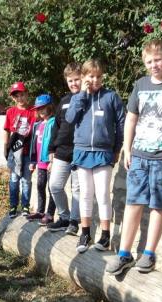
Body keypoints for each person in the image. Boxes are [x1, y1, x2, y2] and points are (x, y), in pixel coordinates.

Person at [107, 40, 162, 274]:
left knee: (158, 205)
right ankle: (124, 253)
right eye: (149, 62)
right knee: (133, 203)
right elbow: (131, 118)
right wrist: (127, 147)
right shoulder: (140, 84)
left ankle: (149, 253)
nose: (154, 65)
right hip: (139, 155)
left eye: (157, 60)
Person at [65, 59, 125, 253]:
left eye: (99, 76)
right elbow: (70, 118)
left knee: (102, 195)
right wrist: (83, 93)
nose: (95, 80)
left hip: (103, 152)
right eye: (91, 76)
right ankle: (85, 233)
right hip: (82, 152)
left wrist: (116, 149)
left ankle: (105, 236)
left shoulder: (111, 97)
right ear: (83, 77)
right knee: (85, 195)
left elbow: (121, 124)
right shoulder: (77, 97)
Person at [46, 62, 82, 236]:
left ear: (83, 78)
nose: (74, 83)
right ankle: (64, 217)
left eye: (77, 79)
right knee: (54, 185)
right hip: (62, 151)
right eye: (70, 80)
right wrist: (51, 150)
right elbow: (57, 126)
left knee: (77, 189)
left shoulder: (88, 98)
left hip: (80, 151)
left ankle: (74, 222)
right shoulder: (65, 100)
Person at [4, 81, 38, 218]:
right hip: (14, 151)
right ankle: (13, 205)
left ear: (27, 95)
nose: (20, 98)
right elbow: (6, 129)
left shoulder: (33, 112)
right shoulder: (10, 111)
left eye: (22, 95)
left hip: (28, 150)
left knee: (26, 179)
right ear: (13, 98)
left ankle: (25, 205)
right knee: (14, 178)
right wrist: (5, 146)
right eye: (17, 96)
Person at [26, 94, 57, 224]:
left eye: (43, 108)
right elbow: (34, 144)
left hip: (50, 161)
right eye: (38, 109)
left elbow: (55, 142)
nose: (41, 111)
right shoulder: (37, 125)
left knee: (51, 188)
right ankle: (40, 211)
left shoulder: (54, 122)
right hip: (39, 162)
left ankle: (50, 214)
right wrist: (33, 161)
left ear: (50, 107)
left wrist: (52, 160)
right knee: (40, 186)